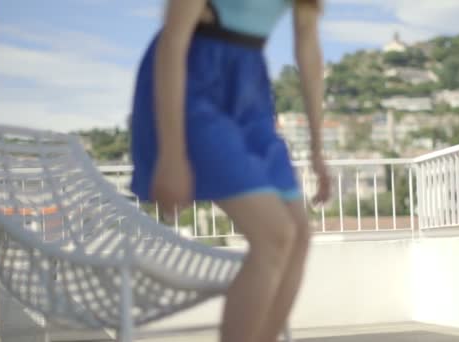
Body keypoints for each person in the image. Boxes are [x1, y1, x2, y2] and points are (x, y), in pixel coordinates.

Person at [129, 0, 329, 341]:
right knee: (275, 234)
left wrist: (317, 149)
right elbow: (173, 41)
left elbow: (308, 52)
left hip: (249, 85)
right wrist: (172, 154)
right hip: (190, 80)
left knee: (298, 236)